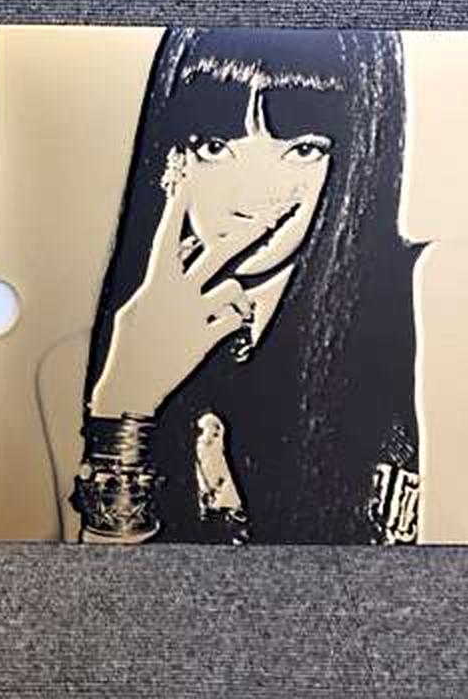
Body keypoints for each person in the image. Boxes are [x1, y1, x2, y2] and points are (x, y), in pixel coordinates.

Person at [71, 27, 421, 545]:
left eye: (302, 150)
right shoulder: (77, 362)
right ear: (173, 160)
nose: (252, 196)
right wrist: (126, 403)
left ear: (354, 157)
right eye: (217, 147)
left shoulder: (433, 305)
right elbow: (92, 588)